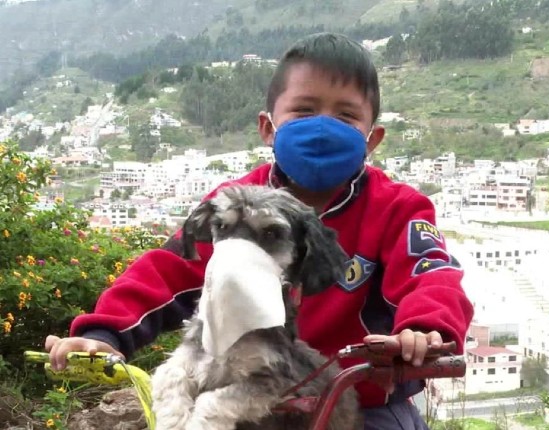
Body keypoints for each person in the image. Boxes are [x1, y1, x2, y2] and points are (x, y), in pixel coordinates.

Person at [46, 32, 474, 429]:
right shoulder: (231, 207)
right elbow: (166, 271)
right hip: (241, 392)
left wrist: (424, 329)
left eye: (345, 116)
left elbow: (431, 276)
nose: (323, 128)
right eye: (304, 111)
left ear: (372, 138)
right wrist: (103, 334)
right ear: (268, 127)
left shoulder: (398, 208)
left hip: (362, 399)